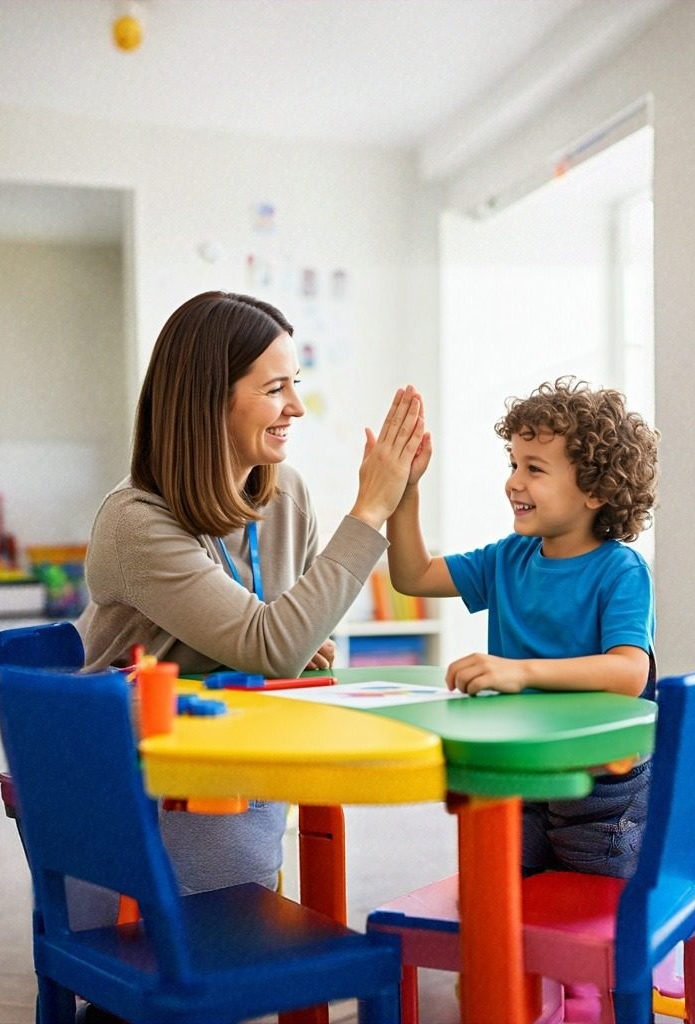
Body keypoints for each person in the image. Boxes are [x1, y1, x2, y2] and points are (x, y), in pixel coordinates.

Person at [76, 290, 425, 906]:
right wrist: (372, 508)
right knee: (210, 950)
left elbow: (300, 635)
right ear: (209, 400)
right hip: (135, 783)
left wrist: (305, 638)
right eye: (274, 389)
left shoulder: (286, 493)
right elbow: (273, 644)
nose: (296, 406)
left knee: (244, 921)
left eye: (295, 383)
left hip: (238, 754)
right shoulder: (135, 521)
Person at [385, 376, 659, 879]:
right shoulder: (508, 559)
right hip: (524, 768)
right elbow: (412, 576)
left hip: (600, 783)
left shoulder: (622, 571)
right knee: (510, 891)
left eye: (534, 469)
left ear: (595, 490)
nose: (514, 481)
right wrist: (406, 492)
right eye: (513, 463)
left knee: (587, 910)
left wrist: (519, 671)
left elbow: (628, 673)